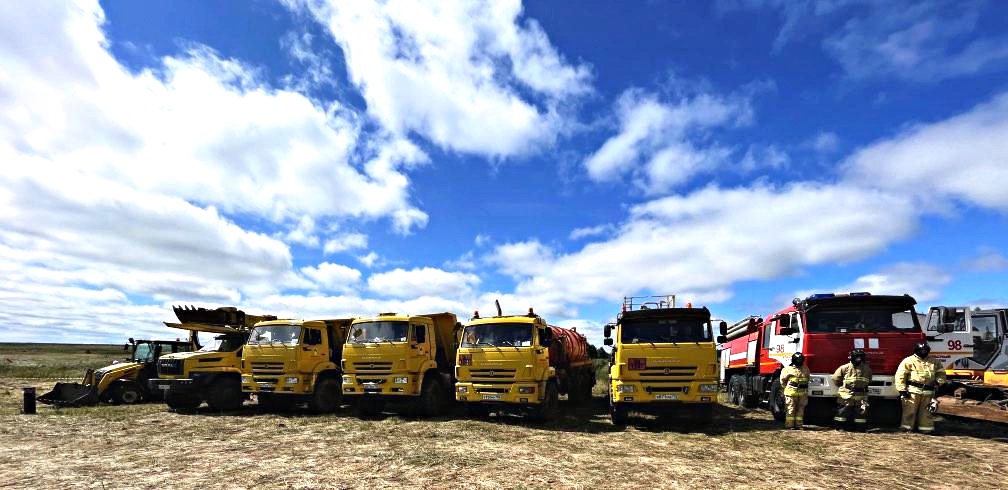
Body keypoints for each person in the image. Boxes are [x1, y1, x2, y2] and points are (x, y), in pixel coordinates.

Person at [894, 342, 946, 434]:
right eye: (921, 350)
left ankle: (926, 429)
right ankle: (906, 428)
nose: (923, 352)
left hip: (928, 392)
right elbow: (900, 376)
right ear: (916, 350)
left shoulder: (935, 361)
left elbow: (941, 373)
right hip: (913, 391)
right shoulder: (908, 361)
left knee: (927, 412)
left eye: (925, 350)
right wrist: (902, 390)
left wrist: (939, 382)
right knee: (910, 411)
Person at [832, 348, 872, 430]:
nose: (858, 359)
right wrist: (844, 387)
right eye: (857, 357)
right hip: (847, 395)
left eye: (860, 357)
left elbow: (869, 380)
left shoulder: (867, 369)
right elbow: (836, 379)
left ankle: (860, 428)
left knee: (861, 413)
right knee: (843, 411)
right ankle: (839, 427)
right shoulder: (845, 368)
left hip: (861, 396)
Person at [780, 352, 810, 429]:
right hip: (791, 392)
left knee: (801, 409)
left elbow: (807, 379)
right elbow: (783, 381)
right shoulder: (787, 369)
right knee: (791, 409)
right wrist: (787, 388)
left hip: (802, 393)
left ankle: (799, 425)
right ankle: (789, 425)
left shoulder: (805, 369)